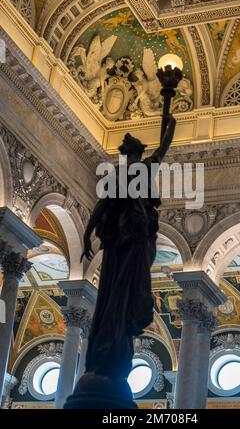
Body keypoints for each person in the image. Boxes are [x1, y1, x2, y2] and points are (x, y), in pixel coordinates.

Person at [80, 114, 176, 380]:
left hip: (128, 240)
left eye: (126, 153)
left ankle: (112, 339)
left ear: (130, 153)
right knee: (123, 290)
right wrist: (171, 126)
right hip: (128, 240)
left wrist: (88, 235)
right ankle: (115, 340)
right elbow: (163, 149)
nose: (125, 157)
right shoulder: (136, 170)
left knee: (118, 291)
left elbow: (101, 207)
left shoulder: (129, 172)